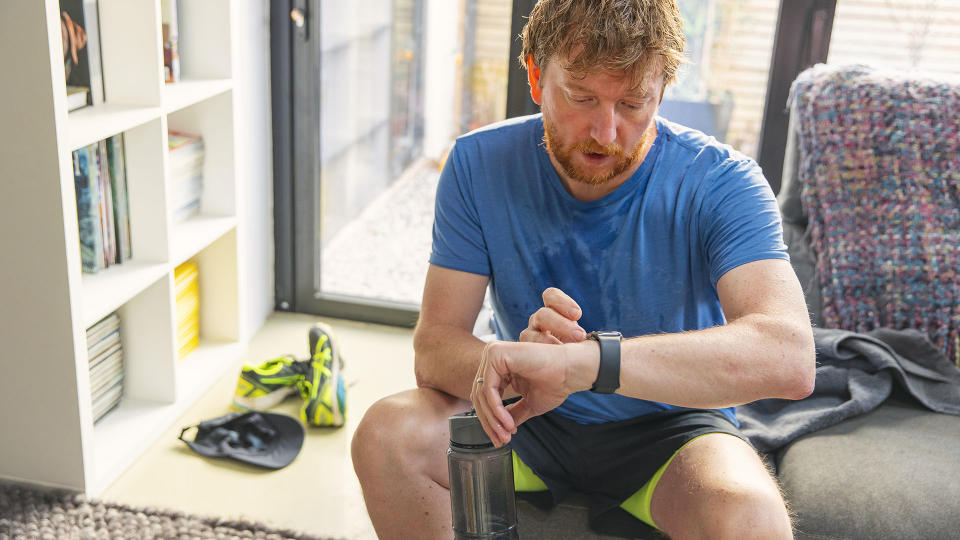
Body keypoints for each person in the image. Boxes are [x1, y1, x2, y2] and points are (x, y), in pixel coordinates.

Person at [352, 0, 815, 538]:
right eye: (582, 97)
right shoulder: (476, 164)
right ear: (534, 74)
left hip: (669, 430)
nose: (605, 131)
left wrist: (585, 364)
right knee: (386, 434)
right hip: (524, 419)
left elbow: (789, 356)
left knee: (751, 518)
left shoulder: (723, 182)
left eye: (634, 103)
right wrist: (522, 371)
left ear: (662, 90)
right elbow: (433, 346)